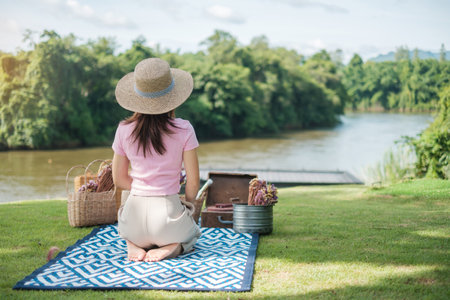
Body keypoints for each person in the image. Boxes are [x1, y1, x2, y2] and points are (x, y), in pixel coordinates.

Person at [111, 58, 201, 262]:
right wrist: (185, 203)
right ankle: (173, 247)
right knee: (193, 233)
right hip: (167, 218)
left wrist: (144, 188)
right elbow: (193, 183)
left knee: (126, 220)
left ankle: (132, 244)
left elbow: (119, 179)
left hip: (133, 220)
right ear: (172, 97)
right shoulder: (184, 129)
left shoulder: (123, 129)